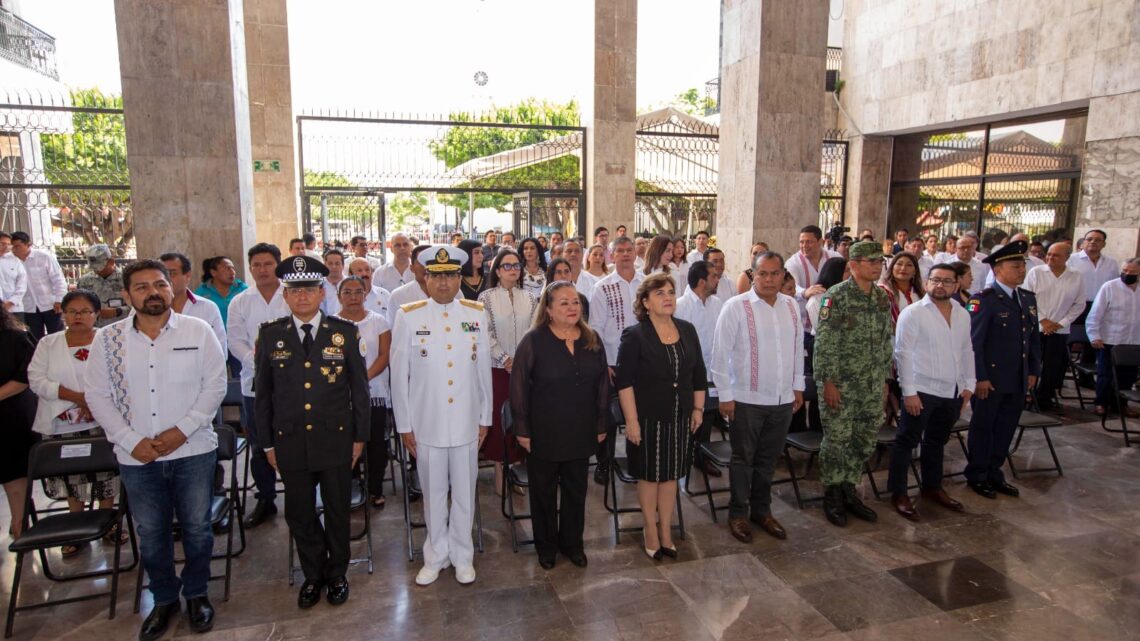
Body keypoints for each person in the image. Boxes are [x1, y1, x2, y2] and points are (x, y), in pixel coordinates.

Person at [85, 259, 226, 640]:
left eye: (160, 285)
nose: (153, 292)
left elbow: (215, 385)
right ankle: (163, 598)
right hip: (137, 457)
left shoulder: (197, 331)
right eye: (143, 286)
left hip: (193, 449)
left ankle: (197, 593)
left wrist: (182, 430)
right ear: (128, 294)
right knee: (151, 532)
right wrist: (132, 441)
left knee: (197, 528)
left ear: (172, 288)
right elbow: (97, 396)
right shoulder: (108, 340)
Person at [254, 255, 369, 608]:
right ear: (285, 297)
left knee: (337, 510)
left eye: (308, 290)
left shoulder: (344, 333)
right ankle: (313, 573)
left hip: (335, 438)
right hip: (289, 441)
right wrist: (267, 444)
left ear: (322, 293)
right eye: (294, 291)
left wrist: (360, 437)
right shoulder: (271, 335)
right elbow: (263, 396)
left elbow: (359, 391)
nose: (302, 297)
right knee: (300, 513)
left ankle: (336, 574)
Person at [391, 245, 492, 586]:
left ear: (460, 278)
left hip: (465, 422)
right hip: (426, 424)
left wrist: (485, 418)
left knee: (465, 493)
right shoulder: (409, 315)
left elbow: (483, 372)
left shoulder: (476, 313)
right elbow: (398, 375)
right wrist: (404, 425)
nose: (444, 282)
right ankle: (435, 556)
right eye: (437, 276)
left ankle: (463, 556)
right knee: (433, 496)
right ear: (426, 279)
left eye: (450, 275)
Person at [510, 281, 609, 569]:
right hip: (544, 430)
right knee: (542, 491)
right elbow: (518, 389)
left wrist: (602, 421)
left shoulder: (592, 339)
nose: (571, 307)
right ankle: (546, 547)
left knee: (576, 491)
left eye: (575, 302)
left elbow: (603, 383)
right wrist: (522, 429)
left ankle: (572, 544)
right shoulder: (533, 341)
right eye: (563, 303)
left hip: (581, 428)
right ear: (549, 310)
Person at [711, 252, 804, 542]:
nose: (769, 279)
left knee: (768, 459)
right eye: (762, 273)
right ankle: (738, 513)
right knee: (743, 459)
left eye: (775, 274)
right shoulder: (736, 307)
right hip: (746, 399)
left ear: (783, 277)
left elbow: (797, 348)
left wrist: (797, 386)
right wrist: (725, 396)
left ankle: (762, 511)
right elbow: (720, 354)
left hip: (782, 399)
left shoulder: (791, 306)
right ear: (753, 275)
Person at [27, 289, 125, 555]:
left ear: (96, 314)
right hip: (62, 420)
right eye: (72, 311)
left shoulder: (109, 340)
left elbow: (121, 376)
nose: (78, 316)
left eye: (84, 311)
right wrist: (76, 399)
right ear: (63, 313)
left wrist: (94, 404)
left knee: (106, 472)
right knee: (73, 473)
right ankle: (76, 526)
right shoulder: (49, 343)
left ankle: (110, 522)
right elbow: (36, 379)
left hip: (103, 417)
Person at [615, 273, 706, 559]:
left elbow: (698, 373)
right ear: (645, 302)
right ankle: (649, 528)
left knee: (670, 476)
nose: (667, 297)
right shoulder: (635, 335)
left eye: (670, 292)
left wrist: (698, 408)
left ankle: (666, 528)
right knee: (650, 475)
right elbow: (624, 382)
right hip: (647, 417)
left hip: (680, 415)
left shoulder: (687, 329)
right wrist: (631, 421)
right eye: (659, 293)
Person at [813, 241, 894, 527]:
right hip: (842, 385)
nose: (876, 266)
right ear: (854, 265)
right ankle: (832, 494)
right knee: (837, 439)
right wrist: (829, 382)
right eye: (870, 261)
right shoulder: (837, 297)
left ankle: (849, 488)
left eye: (879, 262)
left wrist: (884, 380)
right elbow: (825, 344)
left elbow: (887, 341)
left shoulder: (881, 298)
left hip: (870, 385)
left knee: (863, 439)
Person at [889, 264, 975, 520]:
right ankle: (899, 493)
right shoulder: (913, 313)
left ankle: (932, 487)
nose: (941, 285)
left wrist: (969, 384)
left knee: (937, 441)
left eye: (947, 281)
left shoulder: (962, 313)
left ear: (956, 285)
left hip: (952, 390)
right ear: (926, 283)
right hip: (922, 389)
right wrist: (909, 392)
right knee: (906, 441)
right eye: (935, 280)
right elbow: (902, 354)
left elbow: (966, 349)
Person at [964, 241, 1041, 499]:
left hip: (1017, 377)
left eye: (1023, 265)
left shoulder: (1027, 298)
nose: (1021, 270)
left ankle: (994, 471)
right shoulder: (983, 300)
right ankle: (977, 474)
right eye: (1015, 265)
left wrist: (1033, 370)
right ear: (998, 270)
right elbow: (974, 343)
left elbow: (1032, 339)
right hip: (992, 379)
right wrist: (980, 377)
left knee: (1006, 427)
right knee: (984, 426)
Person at [226, 242, 289, 528]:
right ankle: (265, 497)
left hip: (292, 383)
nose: (262, 270)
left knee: (295, 437)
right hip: (254, 384)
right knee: (259, 441)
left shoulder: (292, 295)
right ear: (249, 268)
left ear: (278, 264)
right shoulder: (241, 301)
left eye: (268, 264)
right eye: (256, 265)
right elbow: (235, 340)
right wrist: (258, 361)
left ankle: (302, 494)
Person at [478, 248, 538, 496]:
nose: (513, 270)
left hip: (525, 370)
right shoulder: (486, 298)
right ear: (497, 270)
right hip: (498, 370)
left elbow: (535, 330)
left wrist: (522, 360)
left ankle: (517, 469)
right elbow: (485, 333)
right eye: (507, 266)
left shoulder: (531, 297)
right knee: (500, 420)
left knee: (523, 417)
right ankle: (501, 472)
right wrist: (504, 358)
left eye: (516, 266)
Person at [333, 276, 392, 507]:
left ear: (366, 295)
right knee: (345, 442)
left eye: (358, 292)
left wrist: (361, 379)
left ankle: (375, 488)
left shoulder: (378, 321)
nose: (353, 297)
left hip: (373, 393)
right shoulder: (331, 323)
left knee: (377, 443)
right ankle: (352, 485)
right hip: (341, 395)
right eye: (347, 292)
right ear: (339, 296)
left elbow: (384, 356)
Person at [588, 236, 643, 484]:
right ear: (612, 256)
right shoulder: (603, 287)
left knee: (640, 412)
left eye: (629, 250)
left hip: (644, 363)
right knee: (607, 416)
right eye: (619, 250)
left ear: (635, 253)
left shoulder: (647, 284)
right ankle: (604, 462)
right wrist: (605, 364)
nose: (625, 254)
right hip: (612, 363)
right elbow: (595, 329)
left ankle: (636, 459)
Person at [674, 260, 724, 480]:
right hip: (687, 375)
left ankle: (701, 457)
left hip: (712, 372)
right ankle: (679, 459)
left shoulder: (718, 304)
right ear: (702, 281)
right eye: (714, 276)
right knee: (685, 420)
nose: (718, 279)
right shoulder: (681, 306)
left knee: (707, 418)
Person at [1023, 242, 1085, 411]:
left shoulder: (1076, 276)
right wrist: (1043, 320)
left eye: (1056, 255)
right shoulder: (1036, 272)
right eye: (1048, 254)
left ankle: (1044, 398)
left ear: (1067, 257)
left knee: (1052, 366)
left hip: (1059, 329)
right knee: (1029, 363)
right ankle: (1024, 396)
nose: (1050, 258)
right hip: (1035, 327)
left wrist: (1061, 323)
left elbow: (1079, 304)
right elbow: (1027, 298)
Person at [0, 304, 37, 542]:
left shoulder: (16, 336)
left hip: (11, 415)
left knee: (14, 475)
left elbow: (26, 376)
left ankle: (20, 526)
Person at [1085, 257, 1140, 417]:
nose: (1127, 274)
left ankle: (1120, 404)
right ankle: (1101, 402)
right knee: (1106, 374)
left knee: (1128, 376)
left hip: (1133, 341)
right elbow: (1095, 314)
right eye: (1125, 271)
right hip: (1110, 339)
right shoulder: (1110, 287)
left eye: (1132, 272)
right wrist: (1094, 335)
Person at [160, 253, 226, 353]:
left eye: (172, 273)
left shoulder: (207, 308)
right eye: (161, 274)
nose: (165, 280)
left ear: (187, 276)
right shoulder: (143, 309)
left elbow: (219, 351)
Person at [9, 231, 67, 339]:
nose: (14, 250)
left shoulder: (43, 257)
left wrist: (59, 299)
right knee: (35, 339)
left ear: (28, 244)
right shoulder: (11, 262)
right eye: (12, 247)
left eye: (17, 246)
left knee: (58, 337)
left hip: (51, 305)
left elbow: (58, 279)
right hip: (28, 308)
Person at [76, 244, 127, 327]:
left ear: (111, 262)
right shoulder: (84, 281)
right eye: (94, 268)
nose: (96, 270)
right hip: (93, 329)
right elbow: (78, 305)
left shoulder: (127, 279)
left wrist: (118, 311)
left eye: (99, 267)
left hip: (121, 327)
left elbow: (139, 308)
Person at [386, 245, 438, 325]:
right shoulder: (398, 296)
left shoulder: (452, 292)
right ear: (412, 268)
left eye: (430, 262)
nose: (426, 267)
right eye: (421, 262)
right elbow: (392, 329)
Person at [805, 257, 848, 333]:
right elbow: (823, 329)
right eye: (847, 270)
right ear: (837, 274)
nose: (851, 273)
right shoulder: (818, 300)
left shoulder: (847, 293)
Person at [346, 256, 392, 321]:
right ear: (350, 275)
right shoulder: (345, 298)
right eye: (359, 270)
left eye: (367, 270)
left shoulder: (384, 294)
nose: (364, 274)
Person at [0, 231, 28, 320]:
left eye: (8, 244)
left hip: (14, 308)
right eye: (2, 244)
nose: (6, 247)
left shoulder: (14, 260)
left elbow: (22, 284)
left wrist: (11, 302)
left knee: (17, 333)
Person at [320, 249, 347, 316]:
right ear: (325, 265)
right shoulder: (319, 285)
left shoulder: (350, 284)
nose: (333, 267)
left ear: (343, 266)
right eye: (330, 263)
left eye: (337, 263)